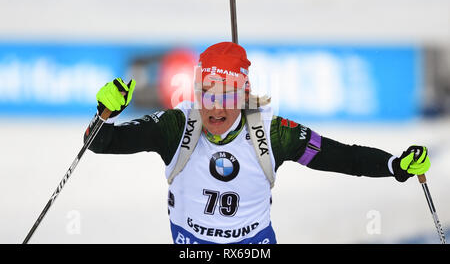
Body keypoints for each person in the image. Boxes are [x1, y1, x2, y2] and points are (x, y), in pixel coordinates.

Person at [85, 41, 431, 244]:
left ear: (244, 95)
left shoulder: (272, 132)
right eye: (206, 94)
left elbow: (340, 157)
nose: (215, 107)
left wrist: (395, 166)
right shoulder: (176, 125)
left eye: (227, 95)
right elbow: (101, 143)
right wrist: (105, 113)